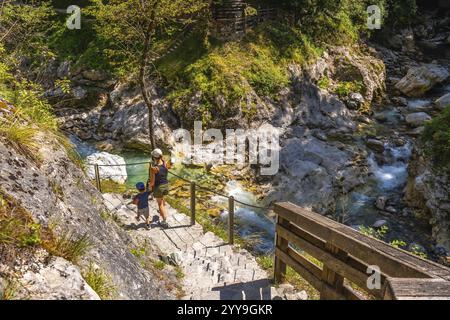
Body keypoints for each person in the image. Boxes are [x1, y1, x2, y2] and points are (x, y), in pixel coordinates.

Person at [149, 148, 170, 229]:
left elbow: (152, 183)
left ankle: (164, 221)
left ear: (154, 157)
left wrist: (149, 185)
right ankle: (162, 210)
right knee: (162, 199)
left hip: (159, 187)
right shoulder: (165, 163)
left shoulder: (154, 168)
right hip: (166, 185)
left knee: (160, 204)